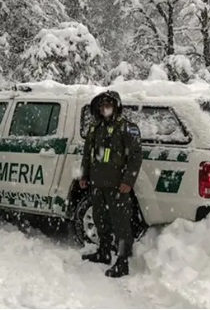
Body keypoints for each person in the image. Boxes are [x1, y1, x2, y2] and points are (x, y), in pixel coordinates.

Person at [79, 90, 143, 278]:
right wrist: (84, 176)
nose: (104, 108)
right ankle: (104, 252)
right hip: (97, 183)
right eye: (101, 105)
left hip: (118, 185)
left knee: (121, 225)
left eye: (108, 105)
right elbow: (88, 155)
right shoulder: (95, 128)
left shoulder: (127, 128)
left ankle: (122, 262)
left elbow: (136, 157)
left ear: (116, 106)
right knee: (100, 220)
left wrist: (128, 181)